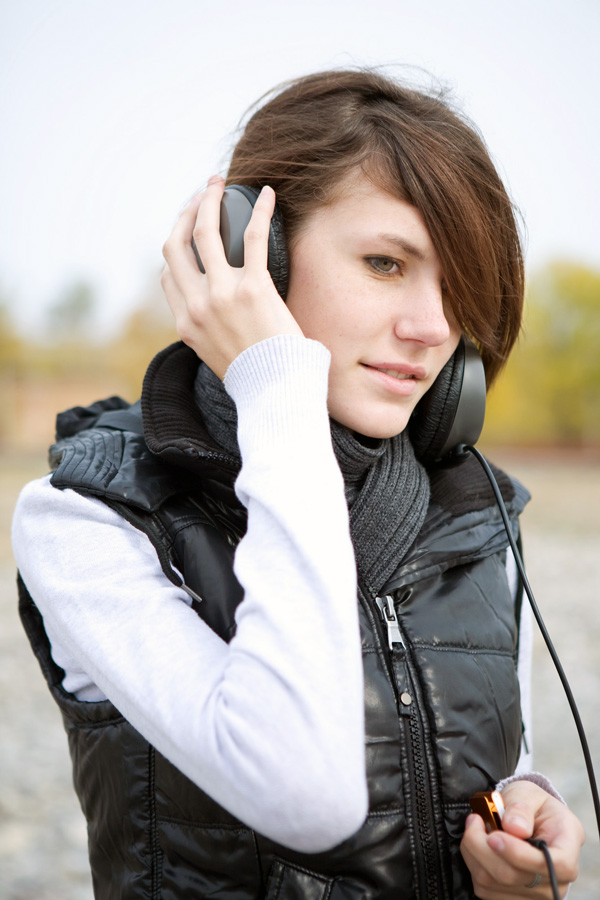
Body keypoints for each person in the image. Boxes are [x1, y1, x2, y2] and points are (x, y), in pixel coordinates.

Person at [12, 68, 584, 899]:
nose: (432, 328)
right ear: (254, 254)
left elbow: (498, 758)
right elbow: (304, 795)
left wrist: (523, 810)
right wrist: (273, 383)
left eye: (456, 285)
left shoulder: (476, 508)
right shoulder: (90, 519)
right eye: (387, 263)